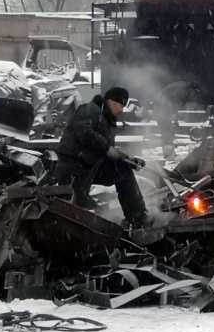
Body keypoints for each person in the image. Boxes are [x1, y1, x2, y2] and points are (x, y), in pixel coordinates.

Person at [52, 87, 150, 228]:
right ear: (111, 101)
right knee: (73, 210)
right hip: (73, 167)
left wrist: (128, 160)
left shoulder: (107, 121)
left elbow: (108, 152)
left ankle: (137, 218)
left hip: (91, 167)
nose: (122, 110)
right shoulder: (89, 109)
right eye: (121, 105)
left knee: (123, 171)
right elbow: (84, 132)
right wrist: (106, 148)